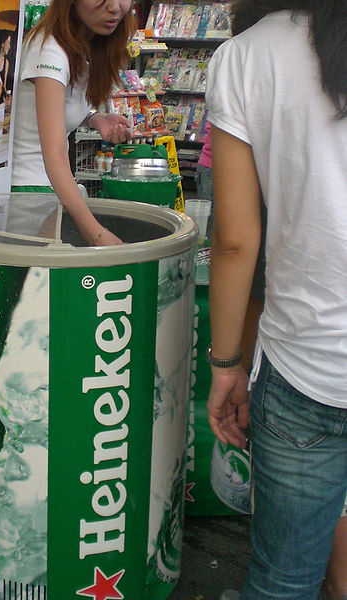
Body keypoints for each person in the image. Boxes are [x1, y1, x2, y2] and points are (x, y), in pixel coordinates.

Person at [204, 1, 347, 599]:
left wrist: (225, 365)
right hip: (306, 366)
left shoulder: (245, 56)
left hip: (305, 368)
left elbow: (236, 241)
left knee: (284, 580)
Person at [10, 0, 135, 246]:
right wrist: (97, 235)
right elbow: (54, 152)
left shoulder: (85, 45)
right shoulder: (49, 49)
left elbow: (57, 106)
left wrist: (95, 118)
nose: (114, 7)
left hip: (48, 190)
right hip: (29, 195)